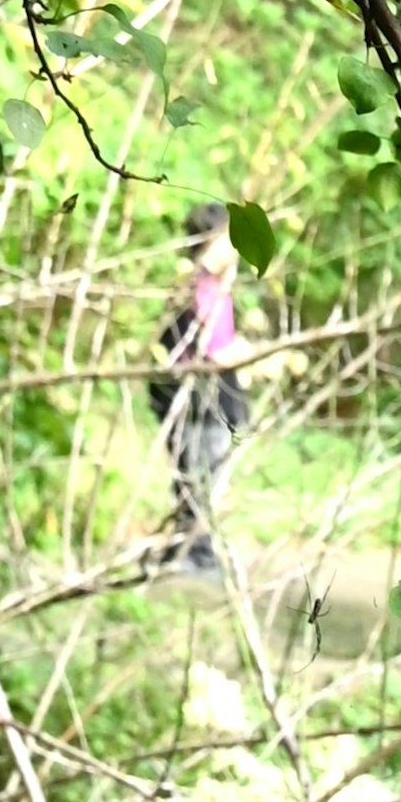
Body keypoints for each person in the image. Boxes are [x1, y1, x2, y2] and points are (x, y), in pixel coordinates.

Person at [151, 203, 249, 572]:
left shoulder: (204, 286)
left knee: (196, 479)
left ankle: (191, 549)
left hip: (202, 402)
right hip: (201, 405)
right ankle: (195, 553)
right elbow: (215, 350)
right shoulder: (202, 288)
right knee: (201, 479)